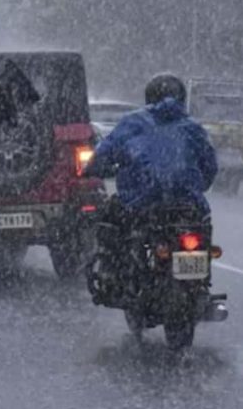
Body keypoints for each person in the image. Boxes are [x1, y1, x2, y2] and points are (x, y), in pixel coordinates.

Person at [84, 74, 217, 302]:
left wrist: (94, 169)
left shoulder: (132, 123)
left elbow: (102, 156)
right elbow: (210, 166)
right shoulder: (193, 127)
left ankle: (114, 276)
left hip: (141, 203)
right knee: (202, 227)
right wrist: (194, 187)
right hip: (187, 204)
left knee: (109, 220)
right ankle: (200, 284)